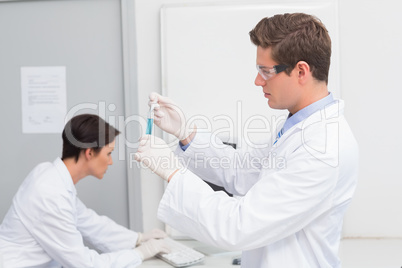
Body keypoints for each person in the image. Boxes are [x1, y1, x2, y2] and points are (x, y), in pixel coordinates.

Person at [134, 13, 359, 268]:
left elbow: (239, 225)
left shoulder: (323, 148)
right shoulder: (298, 125)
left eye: (266, 71)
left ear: (301, 71)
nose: (257, 81)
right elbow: (243, 170)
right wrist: (187, 134)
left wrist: (172, 171)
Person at [0, 114, 169, 268]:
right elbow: (85, 264)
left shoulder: (49, 175)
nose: (110, 162)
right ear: (89, 152)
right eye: (108, 153)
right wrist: (139, 253)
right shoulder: (50, 194)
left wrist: (137, 238)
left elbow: (87, 221)